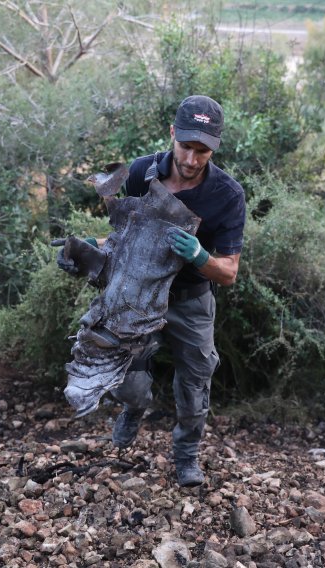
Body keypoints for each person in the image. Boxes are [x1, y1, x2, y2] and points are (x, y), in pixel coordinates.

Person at [109, 95, 246, 487]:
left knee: (195, 383)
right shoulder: (141, 173)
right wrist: (87, 251)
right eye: (185, 146)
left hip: (191, 301)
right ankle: (134, 409)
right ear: (172, 134)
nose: (190, 159)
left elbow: (229, 272)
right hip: (139, 294)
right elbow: (121, 238)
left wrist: (200, 255)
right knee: (128, 380)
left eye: (202, 151)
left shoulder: (227, 195)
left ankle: (186, 456)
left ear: (215, 147)